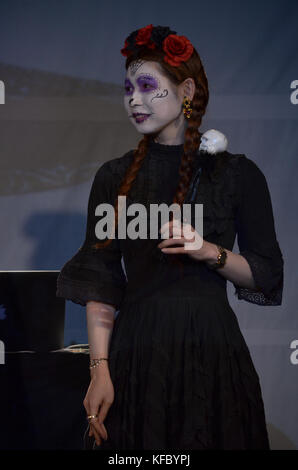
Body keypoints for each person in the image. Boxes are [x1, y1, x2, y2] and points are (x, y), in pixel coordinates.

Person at [56, 24, 284, 450]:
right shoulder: (114, 177)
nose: (134, 100)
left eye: (147, 86)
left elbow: (266, 275)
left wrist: (208, 251)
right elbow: (101, 284)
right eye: (128, 88)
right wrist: (100, 369)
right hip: (138, 355)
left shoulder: (236, 174)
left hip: (213, 353)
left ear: (186, 91)